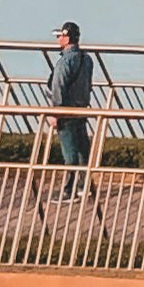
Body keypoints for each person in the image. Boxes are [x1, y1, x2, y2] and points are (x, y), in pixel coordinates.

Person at [46, 21, 96, 195]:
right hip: (81, 109)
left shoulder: (64, 61)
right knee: (82, 148)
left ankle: (68, 190)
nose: (58, 39)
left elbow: (58, 86)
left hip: (66, 111)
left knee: (69, 151)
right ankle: (84, 186)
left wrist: (55, 112)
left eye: (60, 36)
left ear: (67, 38)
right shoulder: (86, 59)